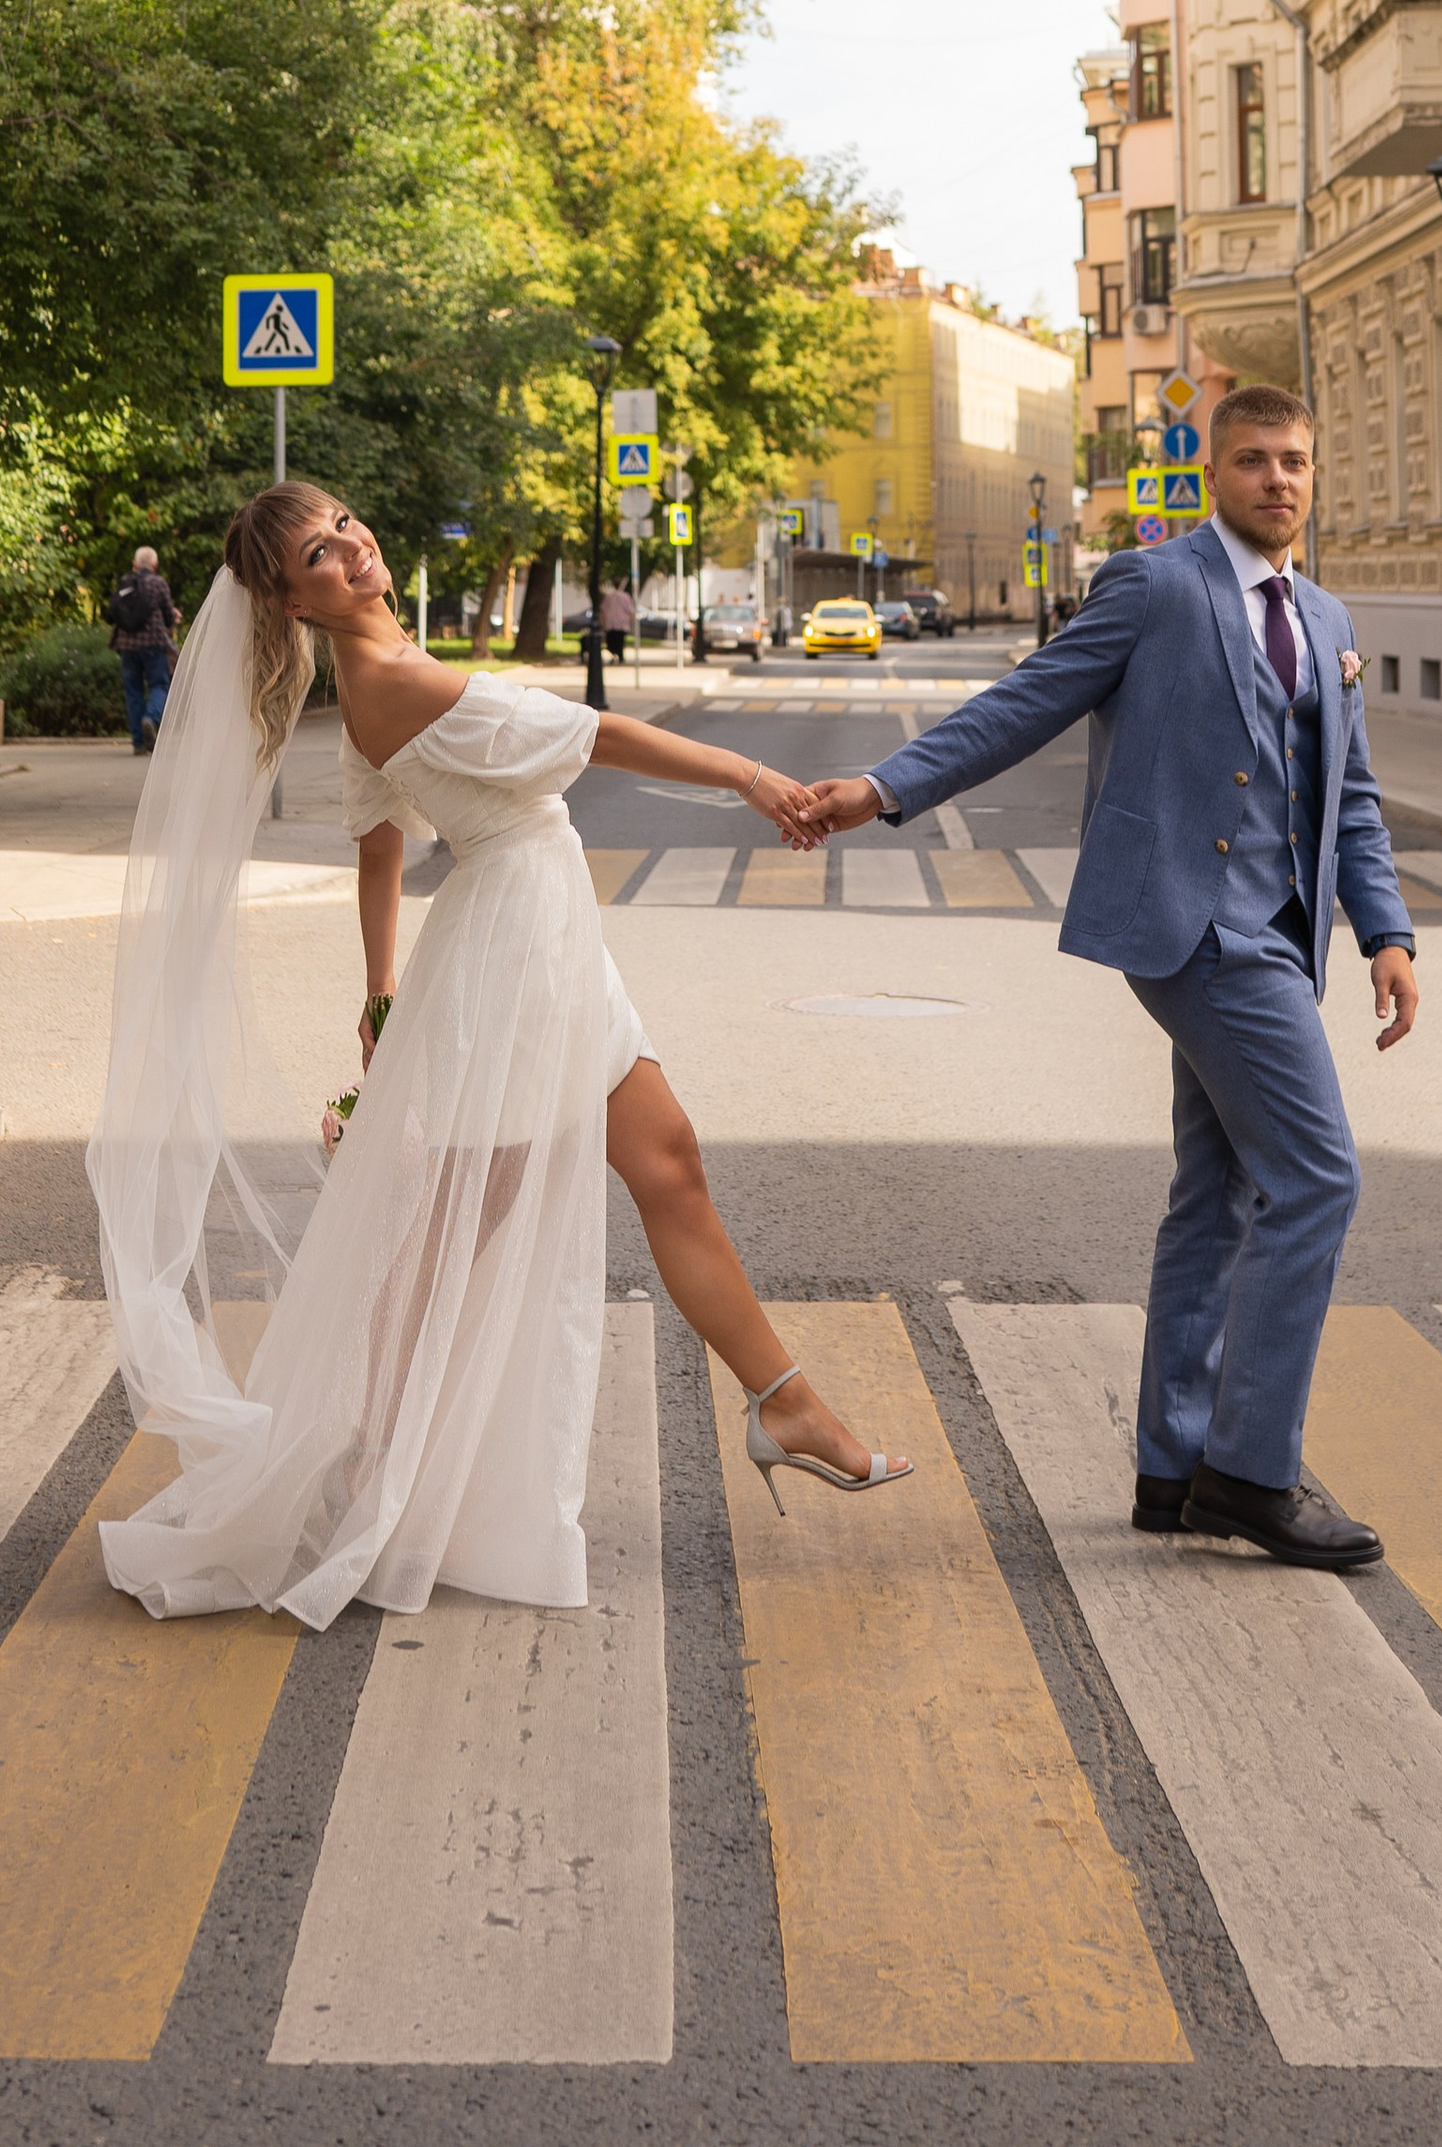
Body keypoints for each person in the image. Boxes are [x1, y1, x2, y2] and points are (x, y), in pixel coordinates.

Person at [86, 479, 909, 1629]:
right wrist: (753, 776)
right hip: (517, 954)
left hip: (532, 936)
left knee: (662, 1163)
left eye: (346, 525)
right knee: (462, 1222)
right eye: (320, 553)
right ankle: (366, 1451)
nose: (353, 546)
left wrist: (377, 995)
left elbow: (377, 838)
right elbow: (602, 735)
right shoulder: (397, 680)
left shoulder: (385, 668)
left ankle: (783, 1404)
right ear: (291, 599)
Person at [800, 383, 1416, 1571]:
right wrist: (880, 788)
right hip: (1196, 931)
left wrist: (1382, 929)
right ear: (1212, 476)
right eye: (1253, 461)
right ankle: (1251, 1470)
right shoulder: (1154, 584)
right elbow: (1026, 703)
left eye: (1295, 461)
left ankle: (1174, 1465)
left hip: (1280, 934)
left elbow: (1352, 796)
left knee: (1220, 1193)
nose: (1278, 481)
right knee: (1319, 1178)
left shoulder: (1327, 617)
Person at [107, 545, 181, 754]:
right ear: (155, 565)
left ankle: (138, 743)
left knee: (133, 692)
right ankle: (151, 718)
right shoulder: (158, 583)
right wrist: (173, 616)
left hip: (127, 646)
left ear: (134, 564)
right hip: (154, 645)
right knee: (159, 685)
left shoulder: (125, 582)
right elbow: (168, 616)